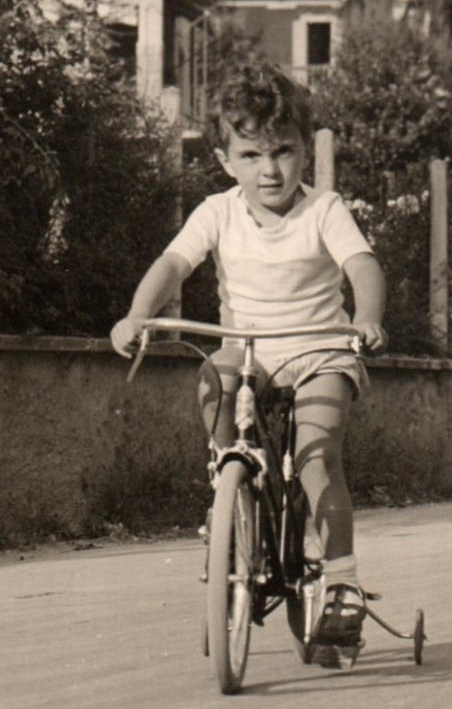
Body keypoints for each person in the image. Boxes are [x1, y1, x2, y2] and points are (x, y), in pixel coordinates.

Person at [111, 63, 387, 648]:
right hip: (248, 352)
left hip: (320, 351)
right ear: (225, 159)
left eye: (283, 153)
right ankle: (227, 485)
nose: (269, 170)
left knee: (317, 459)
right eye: (252, 155)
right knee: (213, 376)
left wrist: (365, 319)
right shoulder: (217, 211)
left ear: (303, 154)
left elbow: (363, 265)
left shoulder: (324, 210)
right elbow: (172, 265)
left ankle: (341, 583)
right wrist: (138, 314)